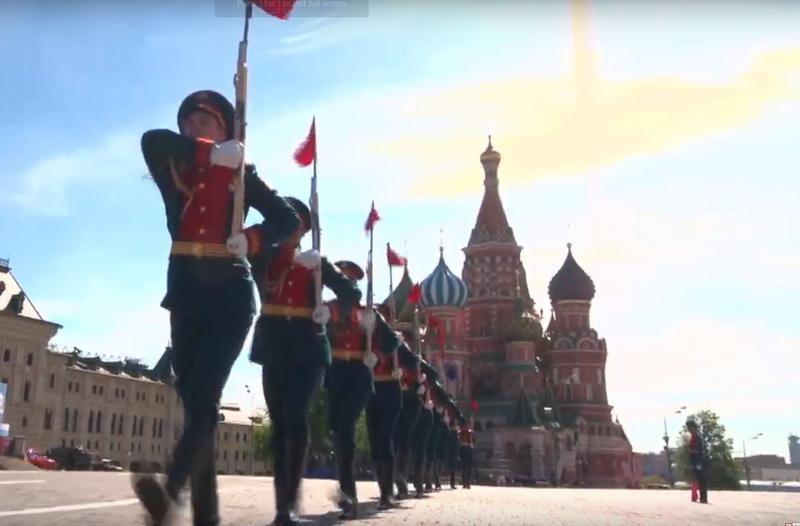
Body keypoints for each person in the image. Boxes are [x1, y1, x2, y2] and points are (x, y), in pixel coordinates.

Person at [134, 89, 299, 526]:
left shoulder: (243, 174)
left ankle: (168, 493)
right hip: (185, 292)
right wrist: (210, 152)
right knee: (197, 409)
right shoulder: (172, 163)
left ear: (227, 129)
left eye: (204, 121)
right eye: (188, 122)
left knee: (203, 398)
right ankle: (206, 515)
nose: (193, 128)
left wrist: (253, 239)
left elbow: (287, 219)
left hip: (230, 294)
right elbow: (152, 139)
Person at [250, 197, 360, 526]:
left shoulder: (317, 263)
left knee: (295, 414)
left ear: (302, 231)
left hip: (309, 348)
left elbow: (351, 292)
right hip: (274, 345)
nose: (289, 230)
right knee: (279, 424)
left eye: (296, 225)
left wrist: (330, 309)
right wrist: (290, 257)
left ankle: (291, 500)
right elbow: (253, 258)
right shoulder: (264, 255)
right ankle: (282, 507)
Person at [323, 260, 372, 520]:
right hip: (336, 374)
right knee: (339, 432)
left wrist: (378, 353)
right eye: (343, 278)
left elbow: (387, 343)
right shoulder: (327, 309)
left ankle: (348, 495)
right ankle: (346, 490)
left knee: (346, 430)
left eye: (350, 279)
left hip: (358, 375)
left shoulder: (367, 314)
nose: (347, 283)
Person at [392, 330, 423, 500]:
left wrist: (421, 384)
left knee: (404, 438)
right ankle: (393, 476)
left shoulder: (414, 360)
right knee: (393, 439)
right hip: (393, 398)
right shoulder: (390, 353)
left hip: (410, 402)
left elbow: (421, 380)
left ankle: (402, 476)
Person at [687, 419, 708, 504]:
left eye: (689, 427)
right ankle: (696, 496)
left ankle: (703, 498)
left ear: (693, 427)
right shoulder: (692, 437)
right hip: (694, 460)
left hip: (698, 460)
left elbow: (700, 450)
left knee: (701, 478)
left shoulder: (697, 437)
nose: (688, 429)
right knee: (697, 478)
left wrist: (692, 451)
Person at [458, 417, 475, 489]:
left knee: (466, 467)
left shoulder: (468, 432)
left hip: (466, 448)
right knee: (465, 467)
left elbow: (473, 441)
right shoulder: (464, 432)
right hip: (465, 448)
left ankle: (466, 483)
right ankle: (466, 483)